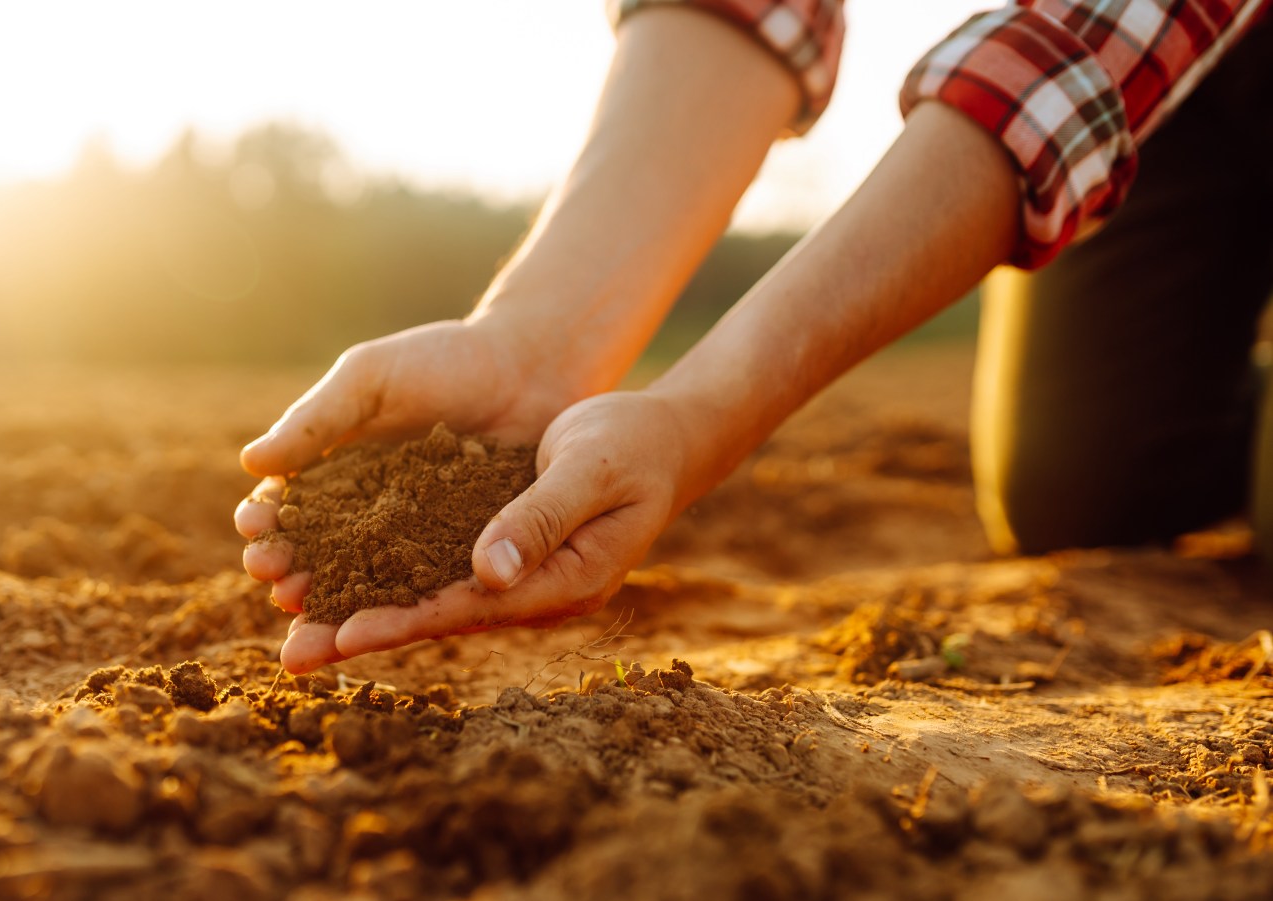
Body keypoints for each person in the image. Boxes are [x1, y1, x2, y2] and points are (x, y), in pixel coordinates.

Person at [236, 0, 1273, 674]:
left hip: (1149, 34)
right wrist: (539, 337)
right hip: (1163, 86)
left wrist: (701, 415)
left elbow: (1069, 61)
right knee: (1087, 484)